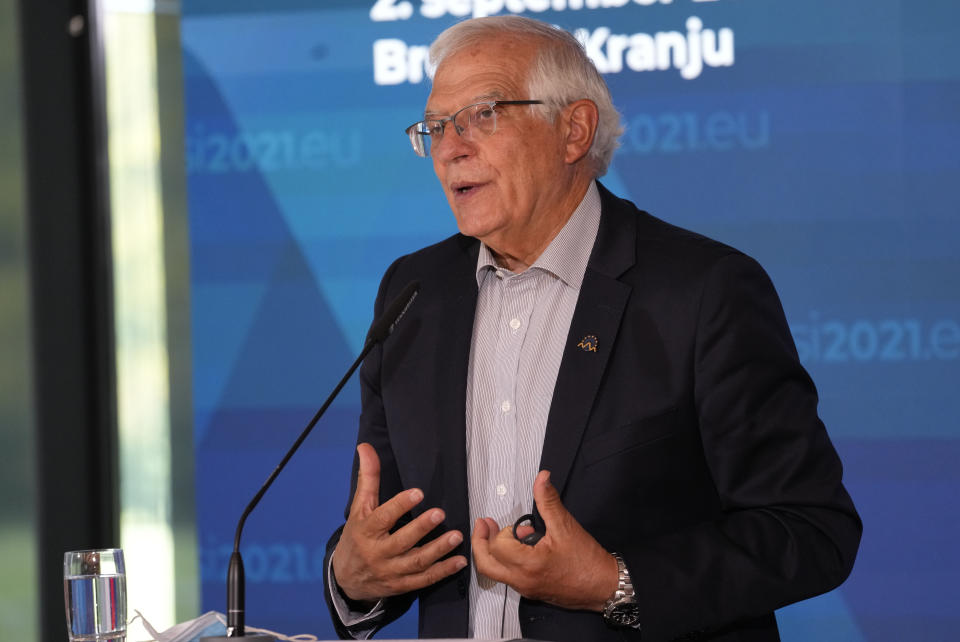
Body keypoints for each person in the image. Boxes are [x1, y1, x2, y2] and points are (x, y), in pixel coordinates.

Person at [323, 15, 860, 642]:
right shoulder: (413, 293)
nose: (450, 147)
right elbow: (385, 532)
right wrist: (353, 576)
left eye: (484, 114)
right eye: (436, 127)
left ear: (573, 130)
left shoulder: (704, 290)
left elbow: (810, 528)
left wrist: (616, 583)